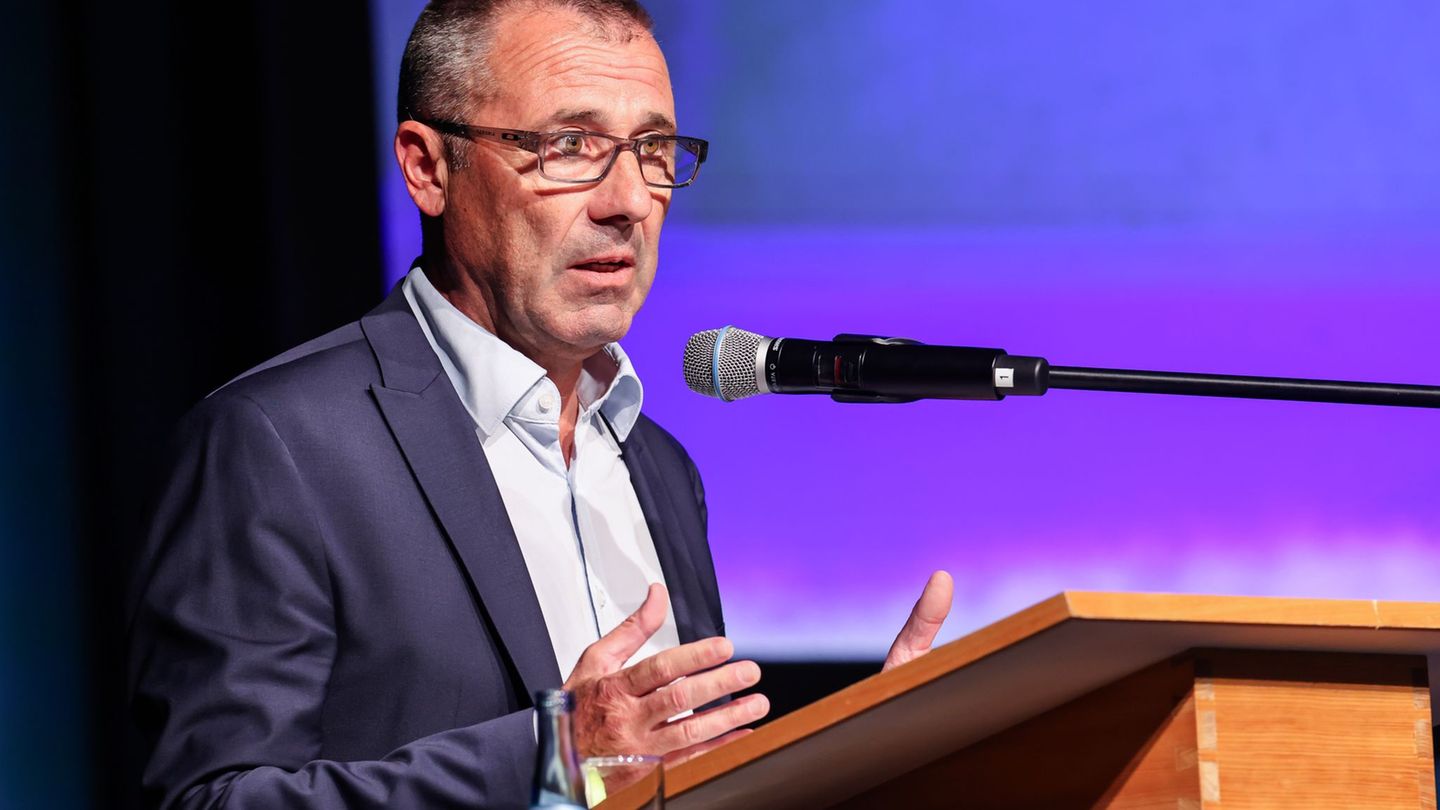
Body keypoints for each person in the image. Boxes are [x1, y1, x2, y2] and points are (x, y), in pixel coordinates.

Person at [126, 1, 954, 807]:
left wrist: (864, 760)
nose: (628, 200)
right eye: (570, 145)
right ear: (426, 167)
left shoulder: (659, 465)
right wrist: (554, 758)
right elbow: (212, 797)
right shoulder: (278, 443)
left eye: (655, 148)